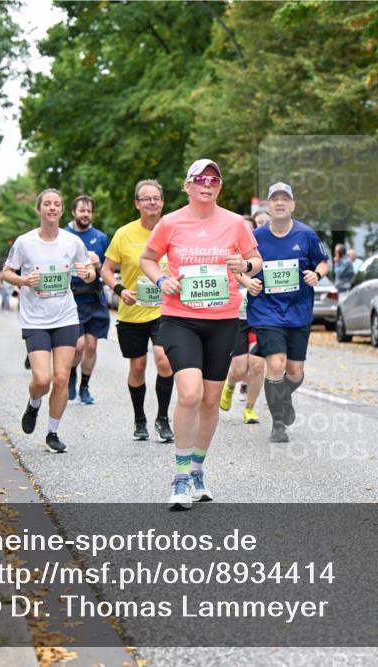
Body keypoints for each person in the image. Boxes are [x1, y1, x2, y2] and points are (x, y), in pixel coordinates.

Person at [140, 159, 262, 509]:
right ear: (187, 185)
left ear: (219, 187)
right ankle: (180, 477)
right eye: (200, 179)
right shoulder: (170, 222)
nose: (207, 184)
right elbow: (148, 259)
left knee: (210, 400)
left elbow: (256, 261)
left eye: (214, 180)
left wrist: (245, 265)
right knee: (190, 393)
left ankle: (197, 470)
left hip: (222, 320)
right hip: (180, 319)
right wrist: (163, 280)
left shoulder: (234, 223)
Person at [2, 188, 96, 453]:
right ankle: (34, 403)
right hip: (35, 320)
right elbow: (6, 273)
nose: (52, 207)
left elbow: (89, 271)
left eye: (57, 204)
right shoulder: (25, 242)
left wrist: (87, 273)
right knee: (42, 380)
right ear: (39, 209)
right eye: (47, 204)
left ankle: (52, 433)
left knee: (61, 377)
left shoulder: (72, 242)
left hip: (65, 316)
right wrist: (23, 280)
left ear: (62, 210)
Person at [246, 182, 329, 443]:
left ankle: (283, 396)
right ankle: (278, 423)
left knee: (295, 372)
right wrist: (247, 281)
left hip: (298, 312)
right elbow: (239, 266)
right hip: (266, 310)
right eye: (275, 199)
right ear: (268, 205)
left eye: (285, 199)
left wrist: (316, 275)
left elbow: (323, 262)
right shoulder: (256, 236)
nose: (280, 203)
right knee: (276, 363)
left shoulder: (306, 235)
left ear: (292, 205)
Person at [102, 179, 176, 442]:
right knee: (137, 367)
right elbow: (106, 270)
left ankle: (163, 419)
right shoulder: (124, 234)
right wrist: (120, 289)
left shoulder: (173, 231)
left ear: (162, 202)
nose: (152, 202)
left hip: (165, 310)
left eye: (156, 198)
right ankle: (139, 419)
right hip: (132, 310)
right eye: (146, 198)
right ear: (137, 204)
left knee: (164, 360)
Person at [63, 195, 110, 405]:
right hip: (72, 299)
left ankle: (84, 387)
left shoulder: (100, 238)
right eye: (82, 210)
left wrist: (98, 265)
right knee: (78, 346)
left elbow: (108, 269)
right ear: (73, 212)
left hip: (94, 298)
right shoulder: (64, 236)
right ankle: (71, 375)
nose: (86, 214)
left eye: (89, 211)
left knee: (91, 346)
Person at [221, 216, 266, 423]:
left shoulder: (260, 254)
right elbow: (234, 273)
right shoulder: (228, 251)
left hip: (258, 316)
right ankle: (230, 385)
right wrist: (247, 281)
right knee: (239, 368)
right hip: (236, 317)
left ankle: (250, 408)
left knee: (257, 365)